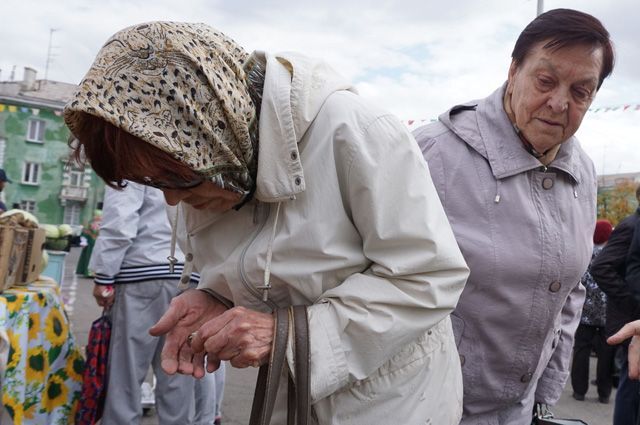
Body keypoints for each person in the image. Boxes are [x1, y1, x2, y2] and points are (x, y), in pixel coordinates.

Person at [64, 21, 470, 424]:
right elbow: (261, 265)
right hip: (287, 394)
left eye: (175, 179)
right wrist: (216, 296)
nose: (171, 199)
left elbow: (427, 276)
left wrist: (286, 336)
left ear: (212, 129)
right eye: (152, 183)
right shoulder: (209, 162)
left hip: (391, 403)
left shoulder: (356, 131)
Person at [413, 8, 614, 424]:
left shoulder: (583, 172)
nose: (558, 103)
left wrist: (546, 393)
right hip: (427, 407)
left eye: (581, 92)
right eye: (545, 81)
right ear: (513, 71)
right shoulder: (431, 154)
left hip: (519, 411)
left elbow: (570, 291)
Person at [88, 182, 208, 424]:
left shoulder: (129, 160)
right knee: (178, 370)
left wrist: (104, 275)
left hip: (142, 271)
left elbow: (120, 220)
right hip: (188, 270)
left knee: (127, 372)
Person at [591, 186, 640, 425]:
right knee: (631, 383)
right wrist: (631, 300)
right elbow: (601, 267)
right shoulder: (632, 225)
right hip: (630, 321)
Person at [570, 219, 615, 403]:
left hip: (585, 312)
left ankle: (579, 391)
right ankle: (604, 393)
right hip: (607, 313)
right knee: (606, 353)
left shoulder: (585, 253)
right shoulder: (613, 255)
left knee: (581, 350)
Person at [75, 209, 102, 277]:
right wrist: (84, 242)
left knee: (98, 259)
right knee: (88, 258)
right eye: (96, 215)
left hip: (100, 245)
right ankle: (88, 273)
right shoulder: (89, 224)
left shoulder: (104, 224)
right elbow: (85, 233)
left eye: (99, 216)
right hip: (90, 246)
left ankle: (97, 273)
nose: (98, 217)